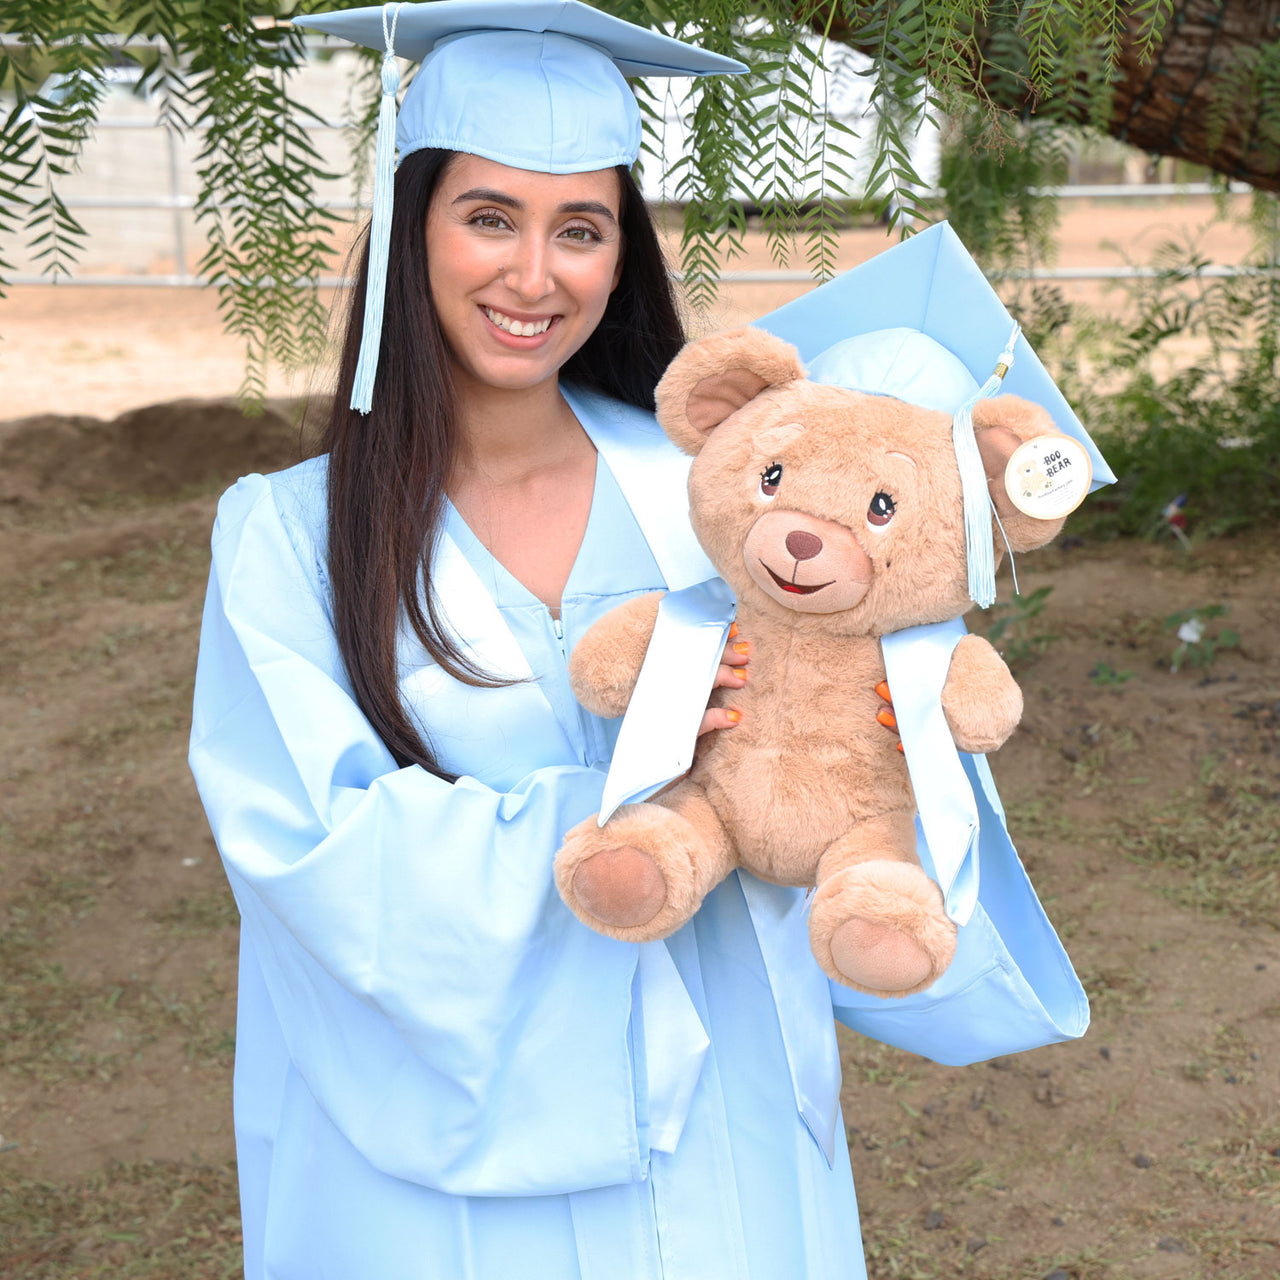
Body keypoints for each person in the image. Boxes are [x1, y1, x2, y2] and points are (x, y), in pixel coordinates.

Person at [189, 4, 1088, 1278]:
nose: (532, 274)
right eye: (488, 216)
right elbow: (312, 852)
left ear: (622, 258)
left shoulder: (714, 502)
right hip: (443, 1170)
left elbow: (850, 769)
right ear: (409, 226)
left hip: (720, 1126)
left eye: (581, 228)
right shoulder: (286, 538)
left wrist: (875, 757)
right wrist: (652, 799)